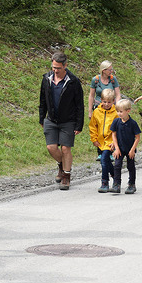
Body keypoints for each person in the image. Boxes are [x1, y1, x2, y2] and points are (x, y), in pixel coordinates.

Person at [39, 51, 84, 190]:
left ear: (65, 66)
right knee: (51, 148)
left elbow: (79, 105)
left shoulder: (73, 82)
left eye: (58, 68)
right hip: (51, 119)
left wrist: (79, 124)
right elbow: (42, 99)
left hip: (68, 121)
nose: (55, 70)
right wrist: (42, 117)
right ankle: (62, 165)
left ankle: (66, 176)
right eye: (53, 67)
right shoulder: (47, 79)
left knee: (65, 149)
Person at [88, 61, 121, 161]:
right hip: (98, 108)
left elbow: (118, 94)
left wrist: (118, 107)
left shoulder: (113, 80)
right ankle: (100, 151)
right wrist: (90, 110)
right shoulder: (96, 80)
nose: (112, 71)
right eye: (110, 69)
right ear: (104, 70)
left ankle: (110, 150)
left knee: (111, 128)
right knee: (98, 129)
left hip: (111, 107)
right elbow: (91, 95)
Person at [90, 89, 118, 193]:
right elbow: (93, 126)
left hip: (110, 141)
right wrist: (94, 139)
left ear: (113, 101)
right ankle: (115, 176)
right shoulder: (97, 112)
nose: (106, 104)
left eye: (109, 102)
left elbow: (118, 129)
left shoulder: (116, 113)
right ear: (101, 100)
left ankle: (104, 182)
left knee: (103, 160)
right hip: (100, 141)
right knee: (106, 161)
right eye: (104, 102)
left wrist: (115, 142)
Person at [110, 99, 141, 194]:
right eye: (117, 111)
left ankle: (132, 184)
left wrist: (132, 150)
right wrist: (117, 148)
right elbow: (113, 135)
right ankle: (116, 184)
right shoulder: (116, 122)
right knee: (117, 165)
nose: (119, 114)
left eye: (121, 111)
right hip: (119, 148)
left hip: (129, 149)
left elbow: (137, 137)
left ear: (128, 111)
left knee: (130, 166)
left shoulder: (133, 123)